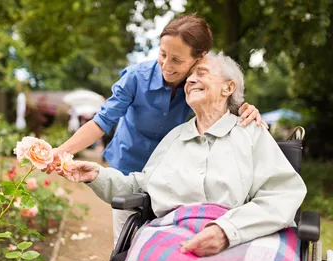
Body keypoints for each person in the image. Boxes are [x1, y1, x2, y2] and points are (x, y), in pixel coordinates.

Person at [55, 52, 307, 261]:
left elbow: (282, 194)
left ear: (228, 87)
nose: (191, 80)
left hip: (245, 231)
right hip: (172, 230)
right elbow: (141, 187)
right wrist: (97, 175)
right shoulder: (175, 137)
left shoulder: (251, 133)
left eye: (203, 73)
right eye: (190, 77)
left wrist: (227, 231)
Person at [46, 14, 265, 244]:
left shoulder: (197, 84)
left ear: (199, 58)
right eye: (163, 54)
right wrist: (60, 151)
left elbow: (224, 102)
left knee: (163, 240)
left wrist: (246, 109)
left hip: (170, 177)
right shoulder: (136, 78)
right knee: (126, 240)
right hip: (128, 167)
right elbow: (101, 121)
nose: (167, 66)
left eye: (177, 60)